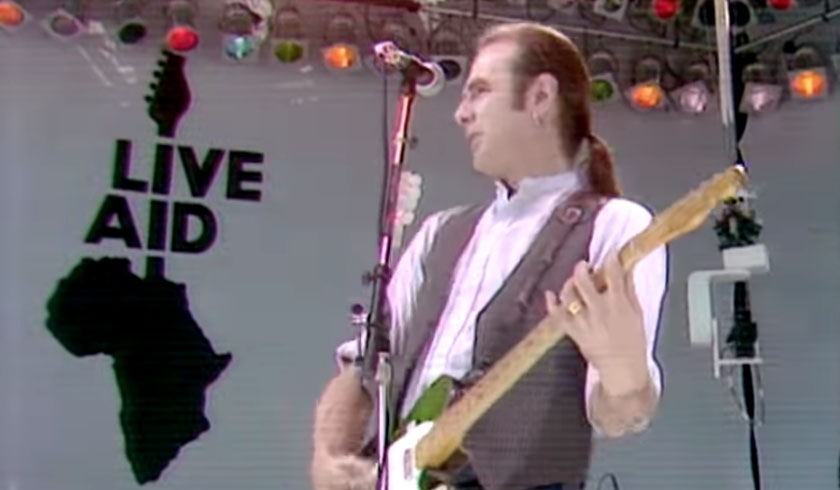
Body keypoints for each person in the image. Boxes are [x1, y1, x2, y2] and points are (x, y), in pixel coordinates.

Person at [310, 21, 669, 490]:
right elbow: (362, 366)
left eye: (479, 92)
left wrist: (627, 378)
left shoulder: (614, 225)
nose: (461, 114)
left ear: (540, 96)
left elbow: (619, 413)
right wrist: (330, 458)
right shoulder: (439, 232)